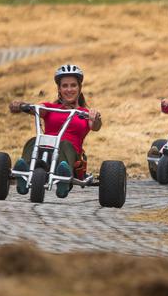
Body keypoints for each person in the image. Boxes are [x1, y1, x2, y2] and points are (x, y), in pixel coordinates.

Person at [8, 64, 101, 198]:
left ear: (80, 88)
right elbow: (37, 108)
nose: (69, 89)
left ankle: (64, 175)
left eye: (73, 85)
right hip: (44, 149)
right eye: (65, 86)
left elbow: (96, 126)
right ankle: (23, 172)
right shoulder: (50, 107)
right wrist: (20, 105)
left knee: (65, 144)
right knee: (34, 141)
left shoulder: (84, 113)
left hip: (70, 153)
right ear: (59, 88)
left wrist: (95, 118)